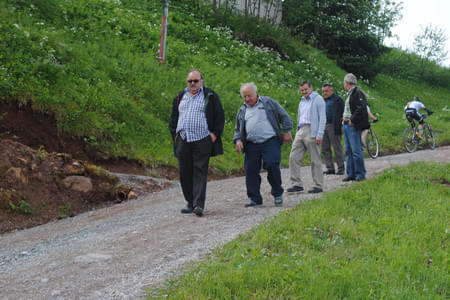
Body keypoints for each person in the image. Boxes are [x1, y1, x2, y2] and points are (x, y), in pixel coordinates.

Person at [169, 69, 225, 217]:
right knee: (184, 172)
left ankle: (199, 204)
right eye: (190, 81)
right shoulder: (180, 96)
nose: (192, 84)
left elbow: (220, 115)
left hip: (202, 139)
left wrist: (214, 134)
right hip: (183, 139)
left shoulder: (210, 96)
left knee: (200, 171)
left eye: (195, 81)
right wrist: (175, 135)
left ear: (202, 81)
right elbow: (173, 117)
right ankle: (190, 202)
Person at [234, 82, 293, 207]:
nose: (247, 99)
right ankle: (254, 198)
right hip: (251, 144)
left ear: (256, 93)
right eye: (244, 96)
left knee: (272, 165)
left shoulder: (268, 103)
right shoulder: (242, 110)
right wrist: (238, 140)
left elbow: (284, 116)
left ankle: (277, 193)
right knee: (250, 170)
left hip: (270, 141)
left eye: (249, 95)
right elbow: (237, 129)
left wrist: (287, 131)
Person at [288, 80, 326, 194]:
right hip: (301, 130)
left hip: (312, 130)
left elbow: (323, 118)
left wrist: (320, 134)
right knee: (293, 157)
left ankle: (318, 185)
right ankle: (296, 184)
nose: (304, 92)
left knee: (315, 159)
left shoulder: (318, 99)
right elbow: (300, 117)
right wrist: (297, 131)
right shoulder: (301, 101)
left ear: (311, 88)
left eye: (306, 89)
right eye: (302, 90)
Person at [341, 73, 369, 182]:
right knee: (348, 150)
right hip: (347, 124)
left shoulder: (357, 93)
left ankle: (360, 174)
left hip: (352, 125)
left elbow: (361, 108)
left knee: (356, 151)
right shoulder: (350, 94)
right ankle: (350, 173)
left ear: (347, 83)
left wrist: (352, 119)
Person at [321, 83, 345, 175]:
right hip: (323, 125)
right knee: (325, 148)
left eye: (326, 91)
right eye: (323, 91)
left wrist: (342, 125)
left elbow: (343, 113)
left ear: (331, 91)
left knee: (337, 147)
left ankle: (341, 167)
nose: (324, 93)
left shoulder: (337, 100)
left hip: (334, 125)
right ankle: (330, 167)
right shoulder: (322, 101)